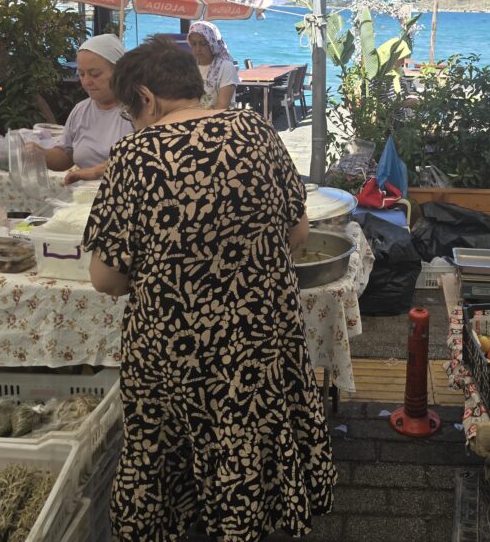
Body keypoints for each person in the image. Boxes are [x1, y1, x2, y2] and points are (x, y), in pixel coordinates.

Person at [83, 37, 334, 541]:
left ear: (147, 99)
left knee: (168, 444)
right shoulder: (256, 130)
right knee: (246, 431)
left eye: (132, 112)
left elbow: (106, 278)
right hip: (259, 334)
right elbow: (298, 233)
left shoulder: (135, 155)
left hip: (176, 348)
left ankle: (184, 519)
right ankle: (247, 517)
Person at [36, 33, 133, 184]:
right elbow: (67, 155)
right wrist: (40, 154)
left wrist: (96, 172)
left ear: (119, 72)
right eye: (81, 74)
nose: (87, 81)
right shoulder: (80, 111)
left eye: (95, 74)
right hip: (84, 197)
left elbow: (144, 160)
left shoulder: (138, 110)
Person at [187, 20, 240, 109]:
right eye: (194, 44)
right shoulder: (189, 67)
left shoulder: (226, 67)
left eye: (203, 44)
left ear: (213, 43)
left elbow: (222, 107)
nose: (198, 49)